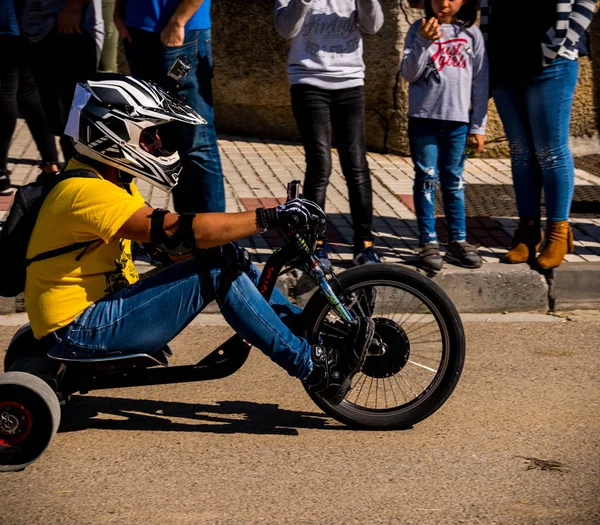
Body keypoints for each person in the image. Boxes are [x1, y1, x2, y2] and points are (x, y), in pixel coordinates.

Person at [25, 75, 374, 406]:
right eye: (149, 136)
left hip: (100, 312)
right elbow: (179, 231)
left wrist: (221, 250)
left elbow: (169, 248)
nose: (158, 144)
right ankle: (313, 369)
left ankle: (314, 335)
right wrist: (269, 217)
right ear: (112, 132)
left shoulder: (107, 180)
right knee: (217, 266)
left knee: (225, 256)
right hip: (82, 329)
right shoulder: (85, 192)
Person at [480, 0, 596, 269]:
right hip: (504, 56)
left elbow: (587, 1)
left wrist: (558, 43)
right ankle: (528, 231)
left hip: (552, 60)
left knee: (550, 151)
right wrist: (488, 50)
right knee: (520, 151)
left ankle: (558, 232)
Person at [275, 0, 384, 268]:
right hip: (308, 82)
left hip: (350, 82)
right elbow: (286, 29)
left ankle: (365, 245)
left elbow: (374, 26)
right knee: (320, 164)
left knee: (357, 165)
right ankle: (315, 245)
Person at [400, 0, 488, 271]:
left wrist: (478, 126)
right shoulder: (418, 29)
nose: (445, 3)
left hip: (458, 122)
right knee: (426, 178)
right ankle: (428, 242)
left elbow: (481, 80)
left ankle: (458, 240)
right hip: (423, 119)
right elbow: (409, 72)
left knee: (454, 181)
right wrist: (424, 42)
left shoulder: (471, 33)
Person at [113, 0, 225, 215]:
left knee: (196, 140)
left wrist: (178, 20)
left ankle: (212, 238)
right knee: (167, 140)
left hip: (182, 32)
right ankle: (187, 231)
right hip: (138, 31)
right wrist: (119, 13)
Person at [18, 0, 104, 163]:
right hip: (34, 29)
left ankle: (82, 175)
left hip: (72, 26)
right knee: (57, 120)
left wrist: (74, 5)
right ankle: (69, 172)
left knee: (77, 117)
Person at [0, 0, 61, 192]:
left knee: (6, 92)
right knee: (28, 94)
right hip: (30, 23)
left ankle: (0, 173)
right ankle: (52, 164)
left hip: (8, 24)